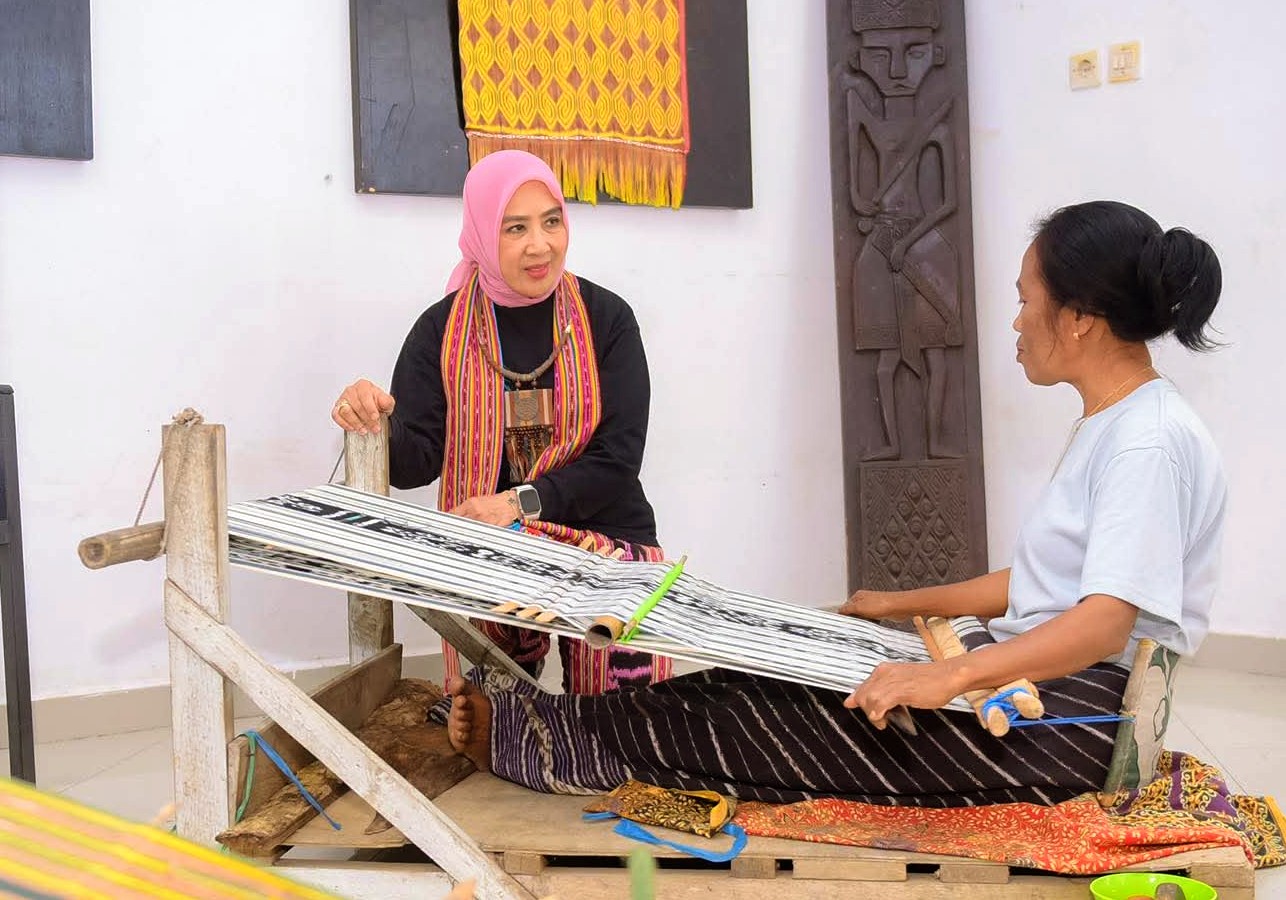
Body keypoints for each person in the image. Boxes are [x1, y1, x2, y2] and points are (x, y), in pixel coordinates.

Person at [443, 200, 1227, 807]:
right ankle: (564, 729)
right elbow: (1043, 585)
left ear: (1082, 322)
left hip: (1071, 719)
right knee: (769, 678)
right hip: (1031, 674)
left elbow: (1104, 622)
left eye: (1028, 301)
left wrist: (947, 680)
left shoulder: (1146, 443)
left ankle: (550, 744)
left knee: (797, 721)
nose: (1017, 321)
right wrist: (893, 604)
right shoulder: (1114, 425)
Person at [333, 150, 672, 694]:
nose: (540, 245)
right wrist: (374, 419)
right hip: (492, 555)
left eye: (552, 221)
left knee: (622, 728)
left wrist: (518, 504)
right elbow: (414, 463)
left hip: (603, 540)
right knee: (494, 724)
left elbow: (618, 459)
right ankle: (509, 702)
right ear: (483, 235)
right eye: (515, 228)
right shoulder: (440, 331)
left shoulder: (608, 319)